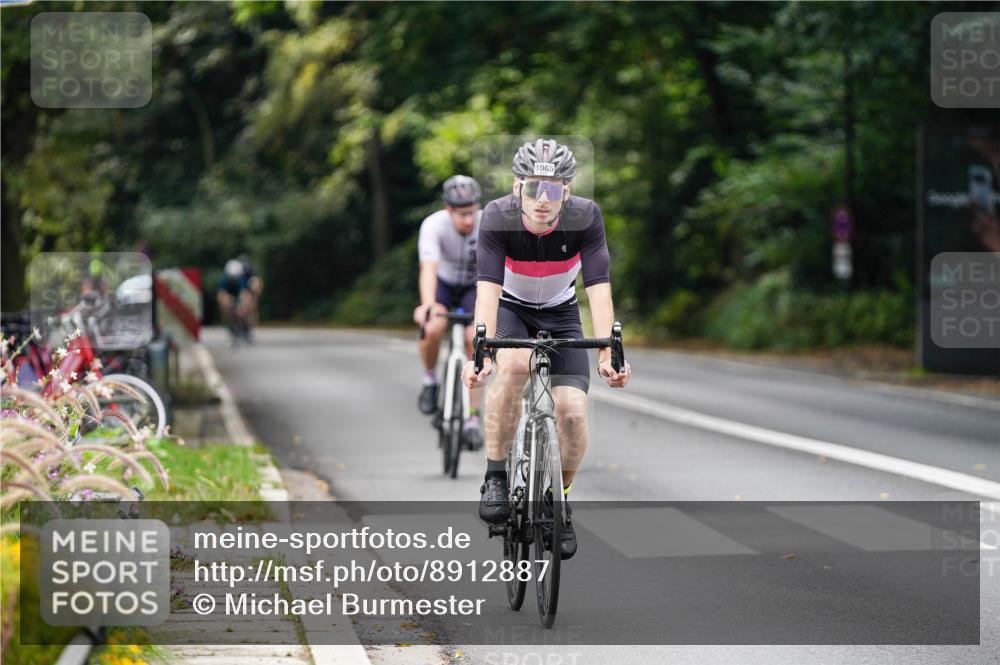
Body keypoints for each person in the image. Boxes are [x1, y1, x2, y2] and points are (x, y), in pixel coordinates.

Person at [462, 138, 632, 559]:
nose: (542, 199)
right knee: (515, 367)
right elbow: (487, 290)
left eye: (552, 189)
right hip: (511, 310)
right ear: (517, 186)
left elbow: (598, 289)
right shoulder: (497, 216)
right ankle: (497, 476)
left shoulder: (586, 217)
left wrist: (609, 352)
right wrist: (481, 351)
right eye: (533, 187)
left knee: (572, 412)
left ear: (567, 191)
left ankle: (560, 500)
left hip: (561, 313)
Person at [414, 175, 485, 449]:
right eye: (462, 214)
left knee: (475, 340)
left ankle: (471, 418)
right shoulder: (433, 225)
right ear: (449, 210)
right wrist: (428, 305)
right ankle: (429, 379)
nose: (469, 220)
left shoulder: (486, 223)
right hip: (443, 284)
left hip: (473, 286)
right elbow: (428, 269)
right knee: (432, 327)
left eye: (472, 212)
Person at [217, 258, 253, 342]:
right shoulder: (223, 280)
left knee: (245, 307)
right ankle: (230, 325)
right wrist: (226, 305)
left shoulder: (242, 279)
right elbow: (221, 294)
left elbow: (244, 293)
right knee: (225, 305)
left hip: (239, 296)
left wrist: (243, 306)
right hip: (229, 297)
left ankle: (246, 328)